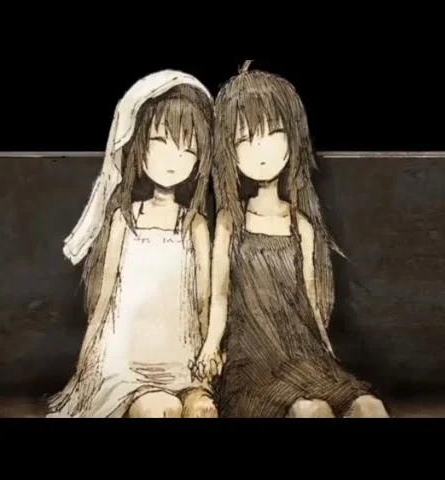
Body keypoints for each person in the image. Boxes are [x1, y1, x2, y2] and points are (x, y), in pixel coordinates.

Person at [194, 61, 390, 418]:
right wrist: (210, 347)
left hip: (303, 355)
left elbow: (312, 303)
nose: (262, 150)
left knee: (369, 405)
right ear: (229, 150)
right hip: (253, 364)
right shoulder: (229, 222)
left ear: (292, 139)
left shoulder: (302, 226)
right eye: (245, 139)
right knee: (311, 411)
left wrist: (326, 353)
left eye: (274, 134)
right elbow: (218, 297)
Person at [46, 70, 217, 418]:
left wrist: (208, 357)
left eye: (188, 149)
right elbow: (105, 295)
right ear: (139, 145)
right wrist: (87, 362)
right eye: (161, 141)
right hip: (125, 363)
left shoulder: (195, 225)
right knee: (163, 409)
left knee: (203, 410)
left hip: (182, 361)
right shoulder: (124, 220)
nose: (173, 159)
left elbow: (204, 299)